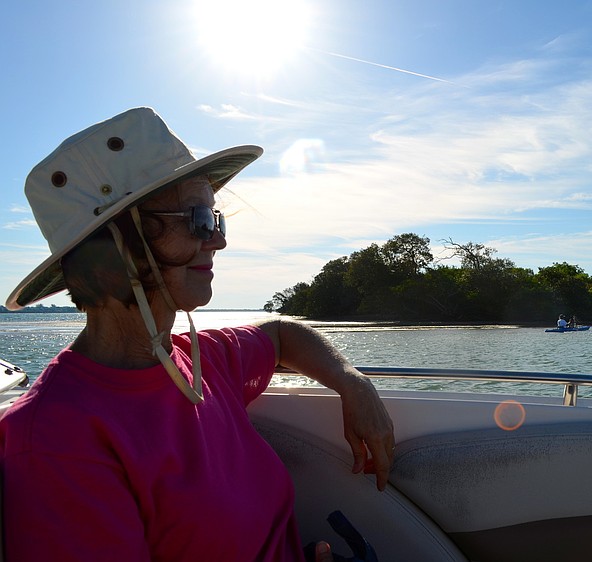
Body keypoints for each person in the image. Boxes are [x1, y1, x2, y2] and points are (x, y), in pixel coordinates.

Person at [0, 107, 394, 561]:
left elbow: (283, 333)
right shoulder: (57, 440)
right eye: (199, 219)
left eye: (215, 218)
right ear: (115, 249)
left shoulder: (200, 360)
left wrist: (352, 381)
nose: (218, 239)